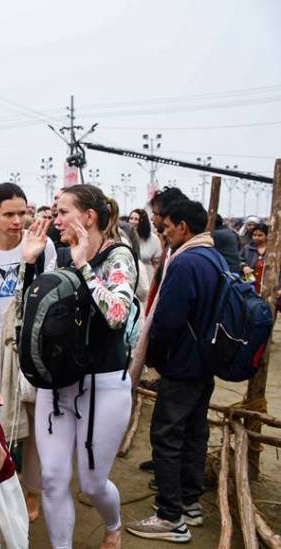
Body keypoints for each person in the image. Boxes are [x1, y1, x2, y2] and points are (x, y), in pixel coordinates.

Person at [29, 184, 138, 549]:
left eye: (62, 212)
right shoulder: (55, 255)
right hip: (58, 384)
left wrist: (83, 266)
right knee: (54, 477)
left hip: (104, 383)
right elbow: (29, 318)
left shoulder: (119, 257)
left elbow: (117, 315)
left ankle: (113, 523)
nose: (55, 219)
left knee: (92, 483)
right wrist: (29, 265)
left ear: (88, 217)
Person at [126, 201, 220, 543]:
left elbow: (167, 320)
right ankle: (190, 503)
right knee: (194, 432)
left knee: (166, 437)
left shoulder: (187, 261)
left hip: (182, 364)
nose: (162, 232)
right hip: (205, 363)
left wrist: (156, 357)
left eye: (166, 226)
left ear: (182, 226)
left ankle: (170, 517)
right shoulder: (214, 256)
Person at [0, 183, 56, 361]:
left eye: (22, 213)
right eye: (8, 215)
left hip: (33, 349)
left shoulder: (43, 246)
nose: (17, 221)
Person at [129, 209, 162, 286]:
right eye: (131, 218)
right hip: (130, 276)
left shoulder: (153, 239)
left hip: (147, 277)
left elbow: (157, 264)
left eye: (136, 219)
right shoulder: (126, 237)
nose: (132, 222)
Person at [240, 222, 269, 293]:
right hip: (249, 281)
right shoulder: (247, 248)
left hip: (267, 284)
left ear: (267, 236)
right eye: (254, 235)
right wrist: (244, 267)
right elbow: (239, 260)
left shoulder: (272, 250)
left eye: (260, 235)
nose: (256, 237)